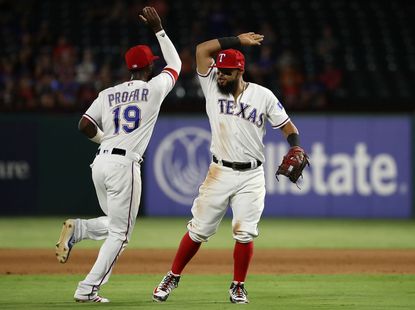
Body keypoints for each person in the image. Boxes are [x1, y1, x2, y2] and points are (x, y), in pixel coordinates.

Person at [152, 33, 306, 304]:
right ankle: (172, 275)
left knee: (245, 232)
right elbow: (201, 50)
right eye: (219, 70)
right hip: (219, 172)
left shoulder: (263, 95)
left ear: (239, 71)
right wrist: (237, 39)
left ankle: (238, 285)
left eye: (226, 72)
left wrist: (295, 147)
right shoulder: (211, 85)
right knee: (198, 230)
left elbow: (288, 127)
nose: (220, 75)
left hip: (251, 176)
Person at [55, 7, 181, 303]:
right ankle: (87, 289)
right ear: (148, 67)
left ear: (129, 69)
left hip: (100, 161)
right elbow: (175, 64)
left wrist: (104, 141)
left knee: (115, 225)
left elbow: (84, 124)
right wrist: (159, 29)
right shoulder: (153, 89)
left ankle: (81, 229)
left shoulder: (108, 93)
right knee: (121, 235)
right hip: (124, 164)